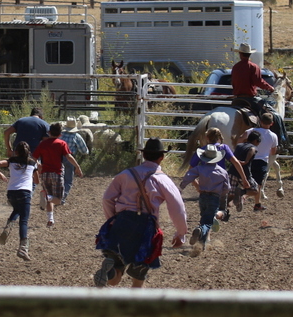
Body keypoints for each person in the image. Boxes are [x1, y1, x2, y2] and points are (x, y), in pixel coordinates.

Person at [94, 138, 188, 289]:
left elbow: (107, 198)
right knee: (139, 274)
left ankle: (111, 271)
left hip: (122, 222)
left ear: (144, 156)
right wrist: (181, 232)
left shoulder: (125, 174)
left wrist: (112, 220)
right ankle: (133, 305)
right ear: (161, 157)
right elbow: (177, 206)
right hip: (145, 227)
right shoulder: (163, 179)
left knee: (116, 275)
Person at [180, 144, 230, 255]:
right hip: (215, 197)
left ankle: (201, 244)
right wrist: (223, 200)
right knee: (208, 222)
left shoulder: (199, 169)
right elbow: (227, 188)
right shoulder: (222, 172)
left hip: (202, 196)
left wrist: (182, 186)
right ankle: (200, 230)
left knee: (204, 217)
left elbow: (188, 176)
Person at [31, 122, 82, 228]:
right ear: (60, 134)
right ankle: (46, 198)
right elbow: (68, 157)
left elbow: (33, 158)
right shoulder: (61, 143)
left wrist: (38, 165)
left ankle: (50, 219)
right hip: (57, 173)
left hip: (44, 173)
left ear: (49, 132)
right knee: (58, 199)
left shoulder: (42, 144)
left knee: (50, 196)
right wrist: (77, 166)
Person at [0, 141, 39, 260]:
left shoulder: (12, 161)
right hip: (25, 192)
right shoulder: (32, 163)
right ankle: (23, 248)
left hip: (11, 192)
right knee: (24, 220)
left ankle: (8, 227)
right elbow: (37, 181)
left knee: (17, 209)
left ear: (16, 151)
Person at [242, 113, 279, 211]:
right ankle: (244, 196)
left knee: (251, 181)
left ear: (260, 121)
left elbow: (241, 138)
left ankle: (257, 204)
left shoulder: (252, 131)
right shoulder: (273, 136)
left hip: (250, 159)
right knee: (258, 184)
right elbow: (273, 151)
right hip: (262, 161)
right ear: (272, 123)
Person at [230, 43, 274, 115]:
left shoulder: (235, 67)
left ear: (240, 54)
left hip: (237, 99)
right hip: (250, 99)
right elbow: (258, 82)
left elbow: (233, 82)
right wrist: (270, 88)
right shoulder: (254, 67)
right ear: (250, 54)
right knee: (270, 114)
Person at [58, 117, 89, 203]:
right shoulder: (76, 136)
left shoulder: (60, 135)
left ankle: (54, 195)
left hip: (58, 157)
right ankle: (62, 198)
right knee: (68, 179)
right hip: (70, 158)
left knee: (58, 177)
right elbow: (84, 151)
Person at [231, 131, 262, 213]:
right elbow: (252, 150)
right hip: (245, 174)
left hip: (232, 172)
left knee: (230, 194)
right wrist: (246, 160)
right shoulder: (253, 147)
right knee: (255, 190)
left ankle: (223, 211)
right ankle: (242, 192)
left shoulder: (238, 145)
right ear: (255, 141)